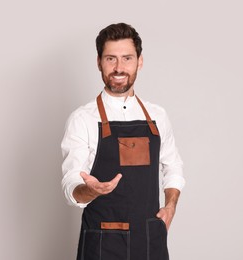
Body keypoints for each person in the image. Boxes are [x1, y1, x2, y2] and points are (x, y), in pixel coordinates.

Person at [61, 22, 185, 260]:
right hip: (102, 243)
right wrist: (90, 190)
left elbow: (173, 165)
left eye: (127, 58)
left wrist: (170, 207)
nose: (119, 67)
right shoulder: (82, 119)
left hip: (149, 240)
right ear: (99, 62)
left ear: (140, 61)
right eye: (111, 59)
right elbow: (71, 185)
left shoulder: (157, 116)